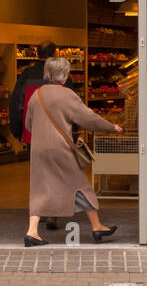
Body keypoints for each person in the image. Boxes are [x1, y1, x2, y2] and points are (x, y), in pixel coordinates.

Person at [23, 56, 124, 246]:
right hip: (60, 148)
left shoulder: (36, 95)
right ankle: (97, 226)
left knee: (40, 188)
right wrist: (111, 127)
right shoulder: (67, 95)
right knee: (80, 185)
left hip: (38, 149)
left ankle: (32, 232)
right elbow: (88, 118)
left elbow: (29, 124)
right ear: (63, 75)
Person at [9, 41, 58, 229]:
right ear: (54, 54)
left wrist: (17, 130)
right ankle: (53, 212)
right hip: (56, 131)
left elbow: (16, 103)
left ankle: (42, 211)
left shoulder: (27, 74)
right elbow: (72, 101)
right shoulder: (59, 74)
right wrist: (74, 129)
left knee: (38, 173)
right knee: (55, 171)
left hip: (33, 132)